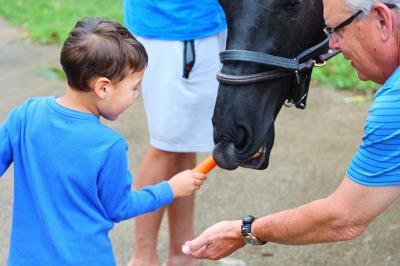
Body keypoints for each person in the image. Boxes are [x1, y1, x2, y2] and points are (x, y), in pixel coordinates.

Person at [181, 0, 400, 260]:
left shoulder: (393, 106)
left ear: (382, 20)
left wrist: (242, 231)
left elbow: (343, 218)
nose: (332, 46)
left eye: (338, 31)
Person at [0, 17, 207, 266]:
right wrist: (170, 189)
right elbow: (119, 207)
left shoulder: (26, 114)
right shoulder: (108, 145)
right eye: (134, 87)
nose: (135, 96)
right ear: (103, 88)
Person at [123, 1, 227, 266]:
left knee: (183, 141)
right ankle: (143, 257)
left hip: (202, 18)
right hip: (175, 23)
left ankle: (183, 253)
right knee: (166, 145)